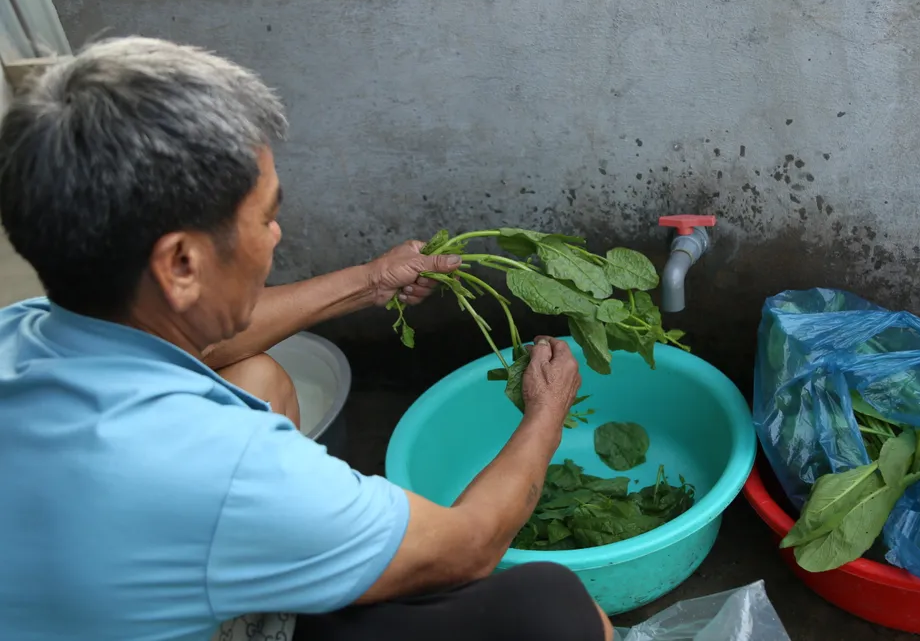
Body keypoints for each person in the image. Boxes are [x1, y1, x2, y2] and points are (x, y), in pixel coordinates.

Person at [0, 37, 614, 641]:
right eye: (265, 214)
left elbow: (201, 348)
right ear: (181, 265)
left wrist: (372, 281)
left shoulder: (23, 331)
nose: (276, 235)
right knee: (552, 605)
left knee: (258, 378)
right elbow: (470, 546)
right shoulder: (219, 467)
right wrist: (548, 412)